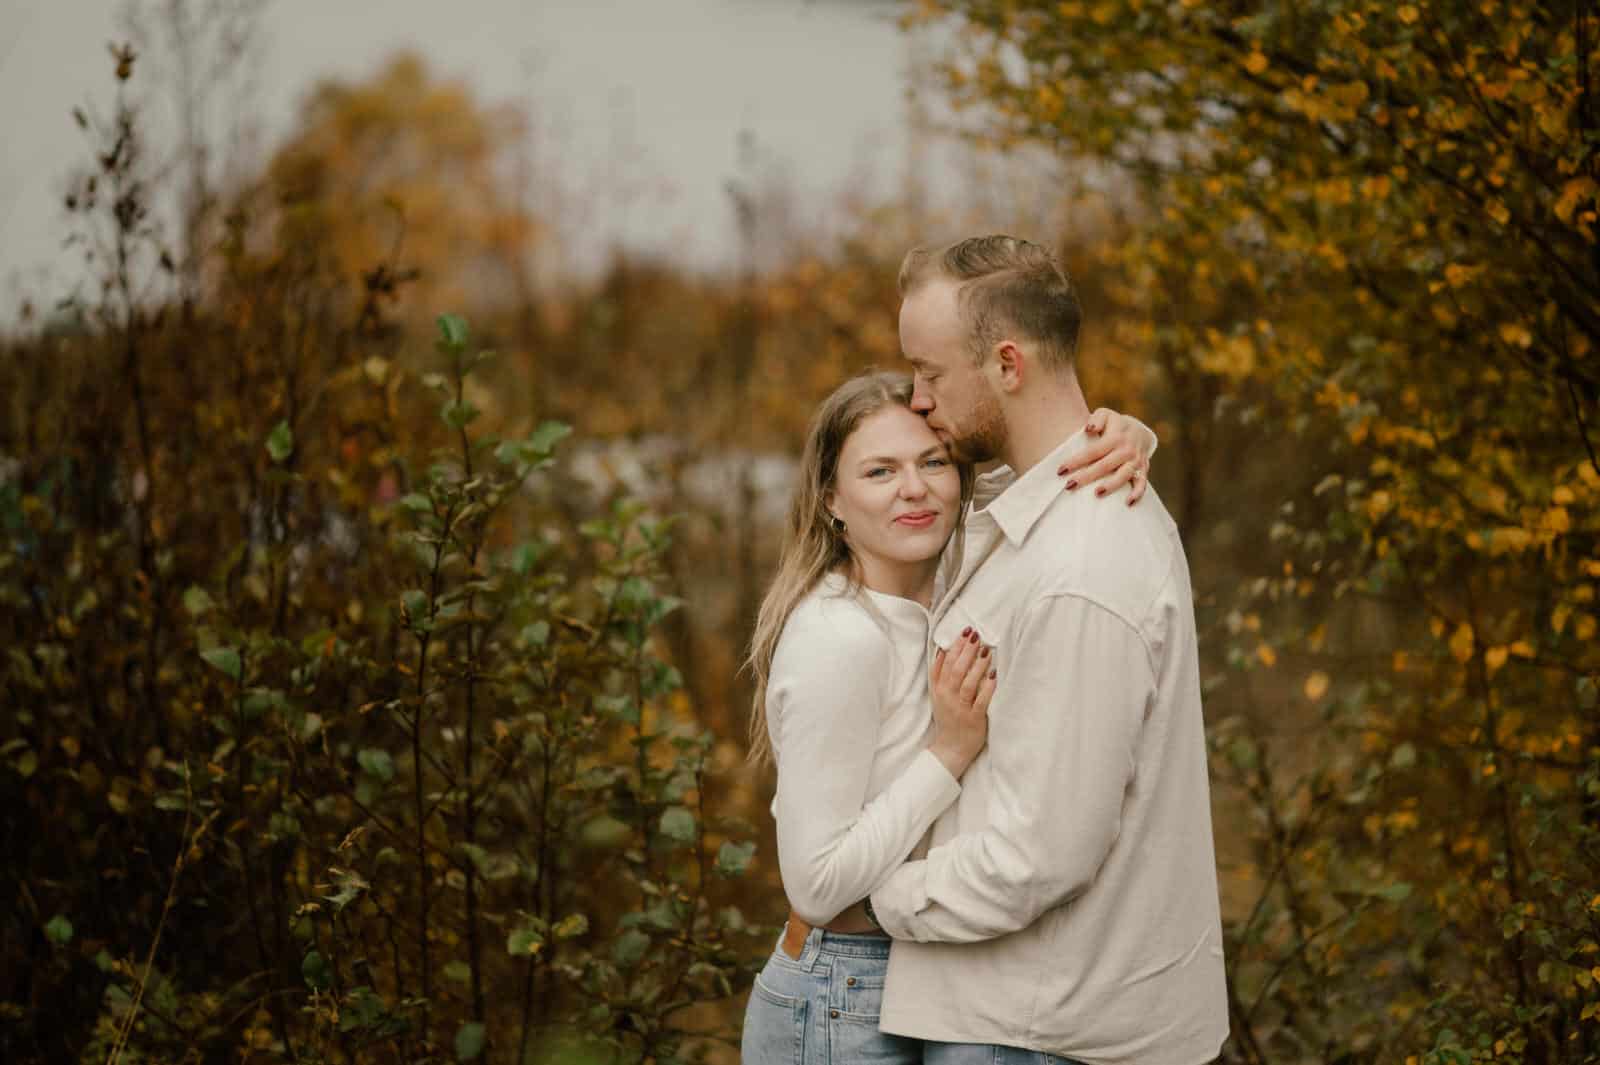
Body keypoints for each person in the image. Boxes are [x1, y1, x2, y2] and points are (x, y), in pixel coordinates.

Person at [838, 236, 1228, 1065]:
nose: (916, 399)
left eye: (931, 374)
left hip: (1036, 1035)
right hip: (1010, 1019)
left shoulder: (1079, 565)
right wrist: (1132, 431)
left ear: (1007, 363)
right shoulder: (1046, 504)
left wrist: (874, 890)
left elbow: (1040, 854)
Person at [739, 369, 1156, 1065]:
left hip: (918, 977)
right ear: (832, 499)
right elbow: (813, 884)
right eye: (879, 470)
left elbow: (1047, 472)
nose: (914, 487)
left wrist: (1124, 436)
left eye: (932, 461)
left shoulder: (953, 573)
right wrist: (948, 753)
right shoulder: (840, 637)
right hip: (839, 988)